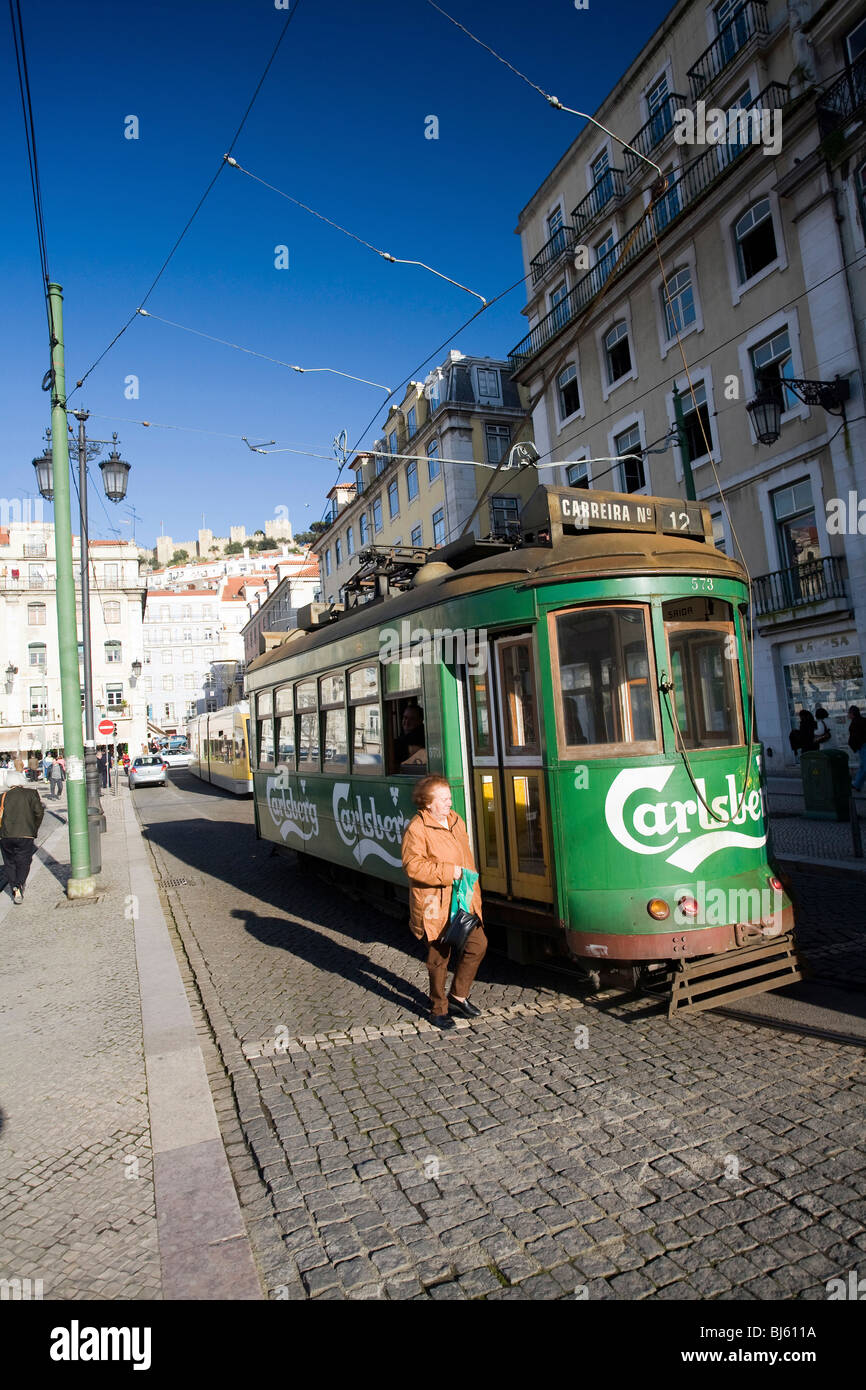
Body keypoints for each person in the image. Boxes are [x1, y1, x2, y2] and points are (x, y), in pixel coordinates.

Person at [401, 773, 486, 1031]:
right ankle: (438, 1009)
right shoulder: (417, 828)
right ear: (428, 803)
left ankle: (458, 997)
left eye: (450, 798)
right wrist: (449, 872)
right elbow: (412, 867)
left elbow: (466, 857)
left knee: (478, 944)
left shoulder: (455, 820)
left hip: (462, 899)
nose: (450, 803)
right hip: (434, 905)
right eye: (444, 799)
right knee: (439, 958)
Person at [0, 770, 45, 904]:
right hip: (25, 834)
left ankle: (15, 887)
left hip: (6, 836)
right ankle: (18, 885)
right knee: (24, 861)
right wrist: (34, 829)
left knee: (9, 862)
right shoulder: (31, 794)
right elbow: (39, 813)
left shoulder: (3, 796)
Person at [397, 702, 427, 772]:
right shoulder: (404, 736)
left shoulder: (419, 736)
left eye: (412, 719)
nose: (407, 722)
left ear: (420, 721)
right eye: (405, 718)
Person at [849, 706, 866, 791]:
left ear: (852, 714)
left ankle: (857, 784)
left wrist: (855, 746)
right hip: (862, 746)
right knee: (863, 766)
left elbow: (855, 737)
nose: (848, 715)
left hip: (863, 746)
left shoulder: (855, 723)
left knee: (864, 766)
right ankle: (857, 784)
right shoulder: (863, 720)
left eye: (849, 713)